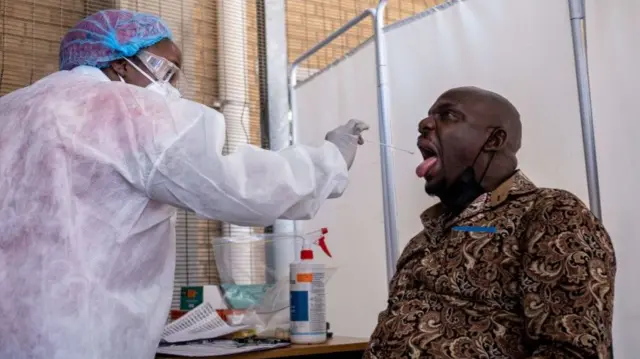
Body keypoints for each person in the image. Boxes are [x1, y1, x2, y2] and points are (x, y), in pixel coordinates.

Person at [0, 9, 369, 359]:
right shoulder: (125, 110)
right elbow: (235, 187)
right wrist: (328, 161)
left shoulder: (12, 110)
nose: (174, 89)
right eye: (166, 72)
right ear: (119, 64)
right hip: (83, 337)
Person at [364, 86, 615, 358]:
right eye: (428, 117)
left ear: (494, 139)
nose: (423, 124)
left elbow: (572, 349)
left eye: (447, 115)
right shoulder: (424, 239)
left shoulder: (551, 213)